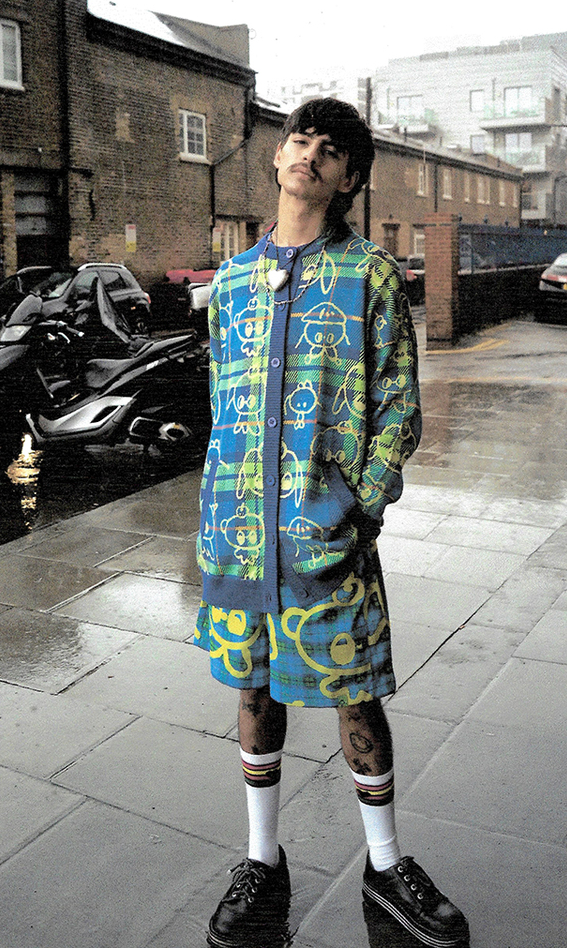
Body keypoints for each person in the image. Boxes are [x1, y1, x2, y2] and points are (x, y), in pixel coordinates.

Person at [195, 97, 468, 948]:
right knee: (253, 691)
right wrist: (218, 508)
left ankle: (386, 865)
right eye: (300, 139)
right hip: (241, 537)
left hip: (326, 538)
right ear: (278, 158)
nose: (309, 153)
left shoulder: (370, 276)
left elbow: (399, 410)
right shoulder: (231, 284)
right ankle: (260, 859)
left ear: (350, 179)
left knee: (356, 696)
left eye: (331, 148)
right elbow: (220, 403)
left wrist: (356, 506)